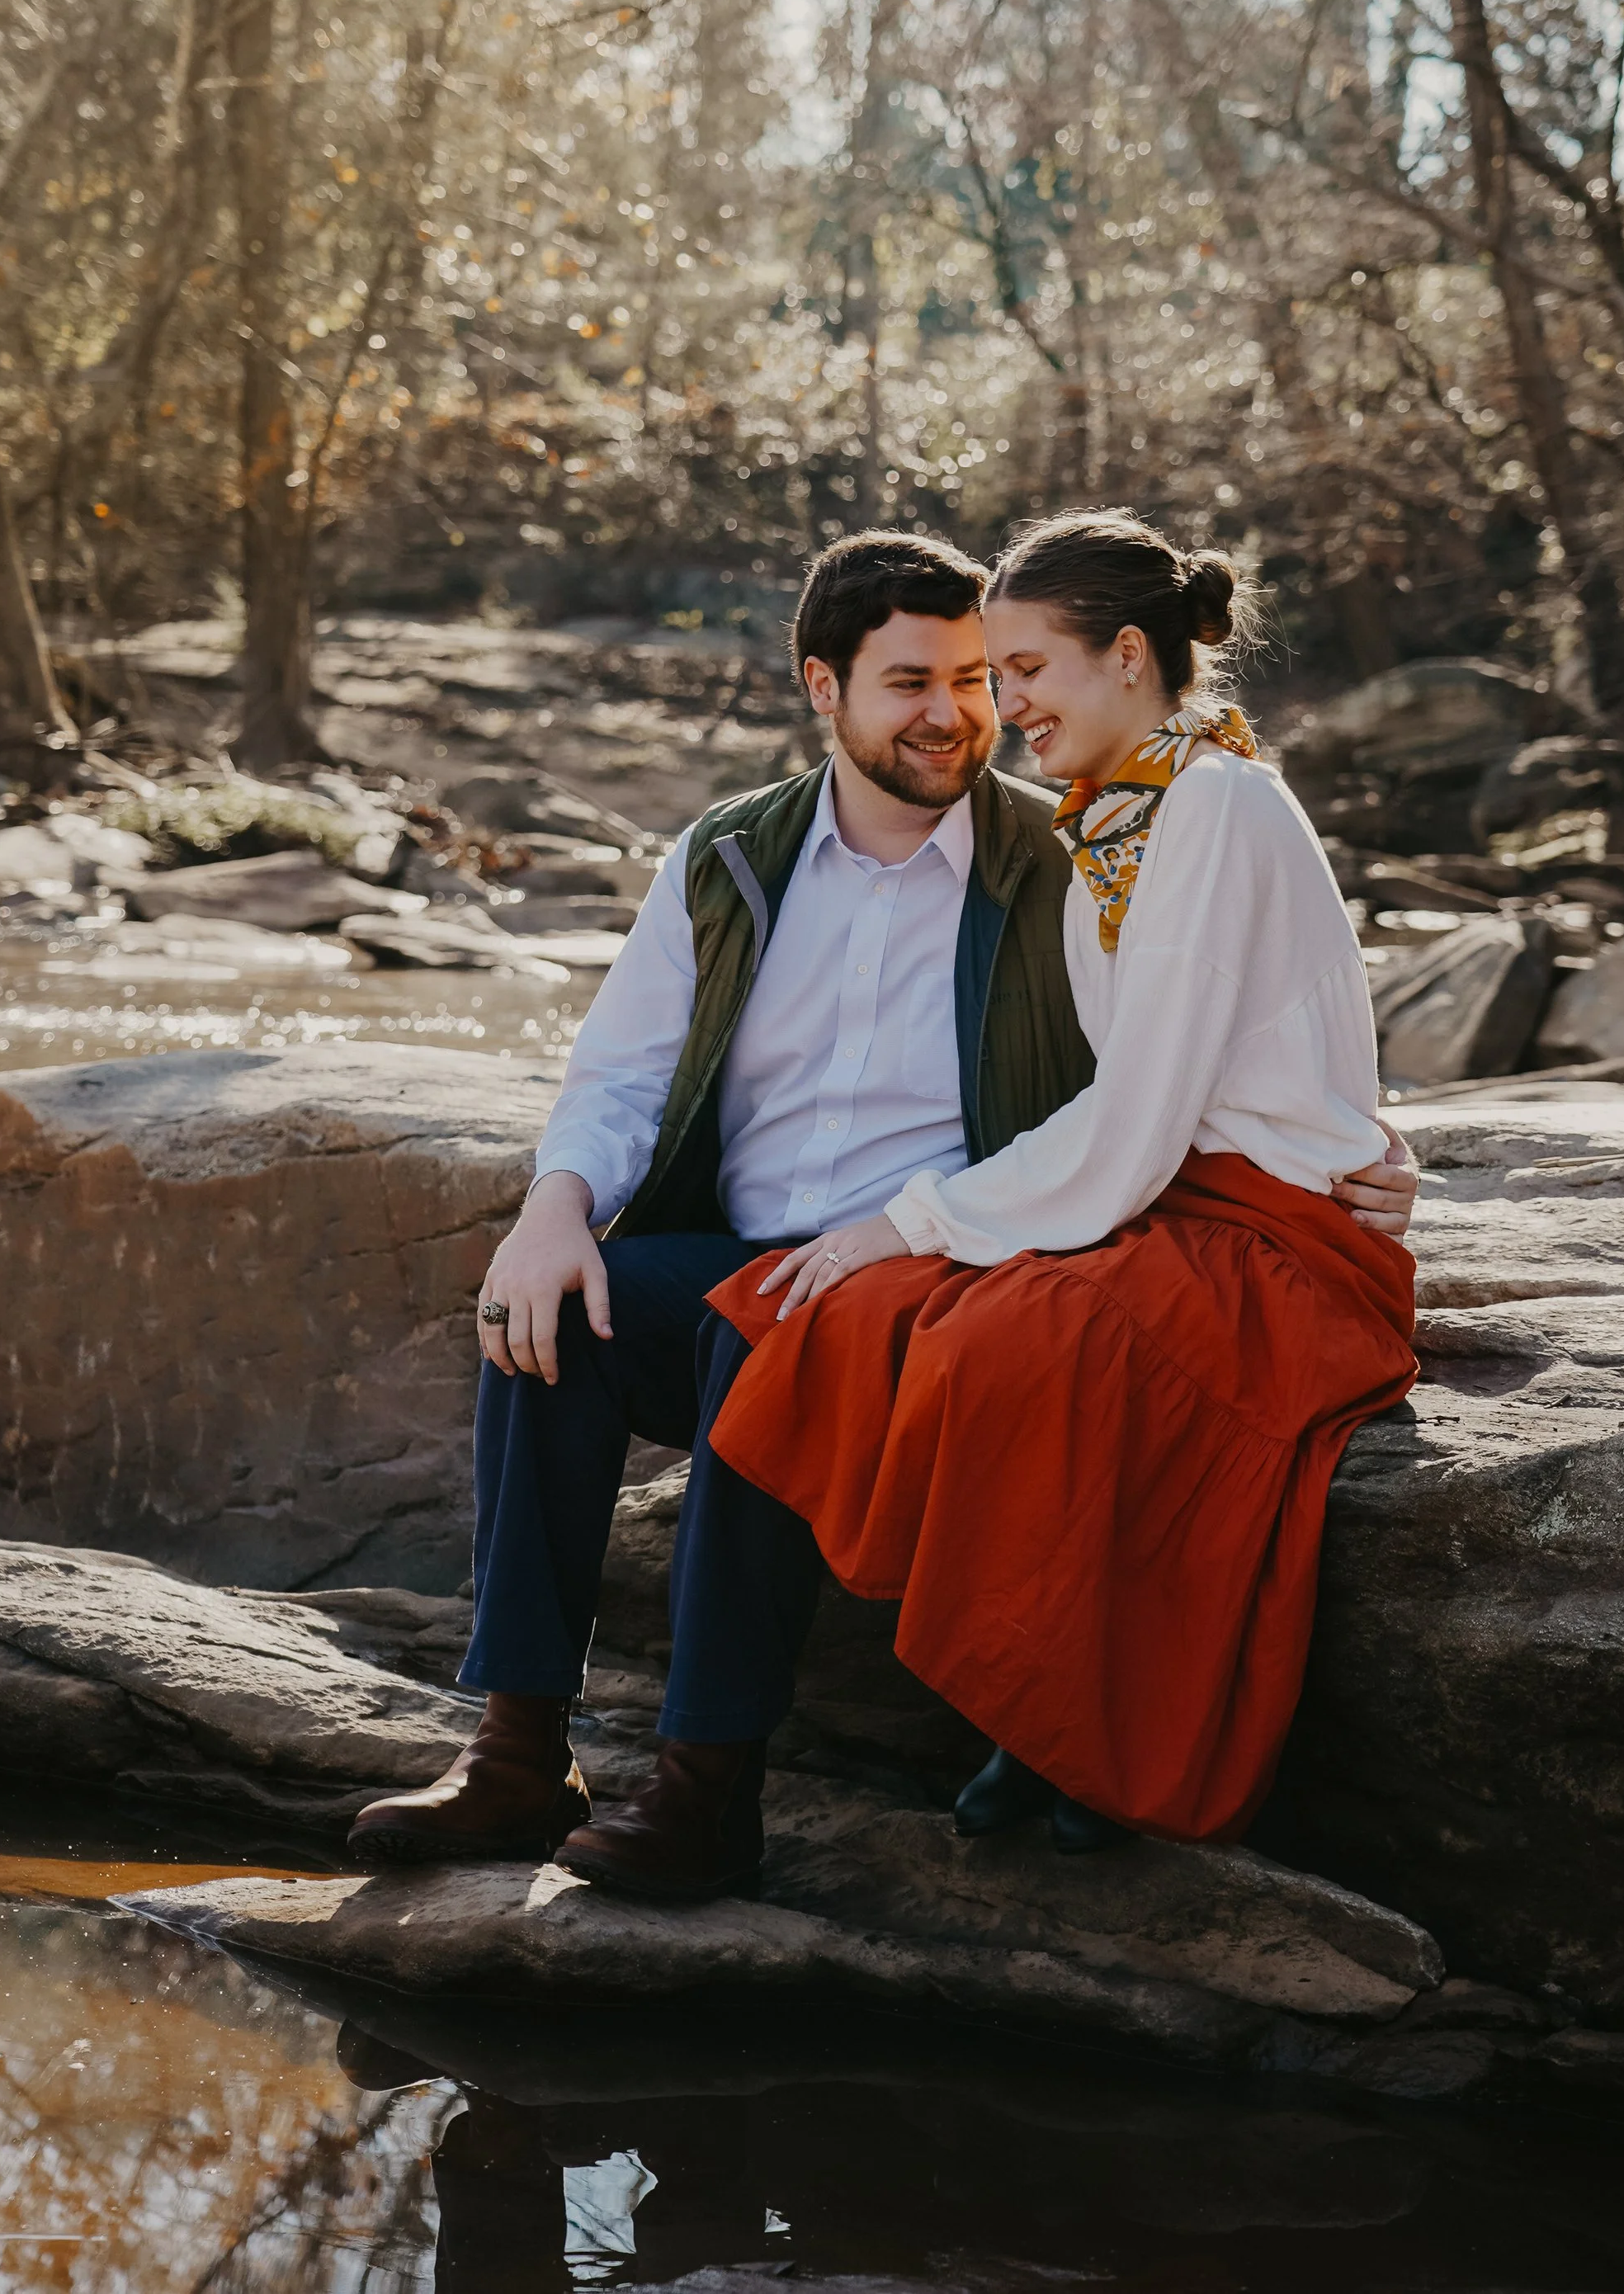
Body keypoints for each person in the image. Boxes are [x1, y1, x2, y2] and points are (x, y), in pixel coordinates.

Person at [347, 526, 1417, 1896]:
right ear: (822, 687)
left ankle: (704, 1786)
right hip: (777, 1247)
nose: (961, 712)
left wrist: (1378, 1140)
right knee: (554, 1316)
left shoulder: (1066, 846)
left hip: (929, 1261)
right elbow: (617, 1071)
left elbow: (1210, 1034)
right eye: (914, 680)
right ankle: (513, 1751)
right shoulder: (732, 858)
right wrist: (553, 1205)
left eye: (983, 675)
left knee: (772, 1329)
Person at [704, 510, 1420, 1851]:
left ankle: (1067, 1732)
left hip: (1279, 1243)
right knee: (882, 1319)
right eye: (992, 673)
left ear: (1130, 655)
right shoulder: (1141, 803)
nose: (1003, 705)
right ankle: (1013, 1718)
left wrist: (903, 1219)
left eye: (1025, 668)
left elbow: (1144, 1109)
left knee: (1031, 1338)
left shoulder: (1213, 803)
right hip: (1188, 1201)